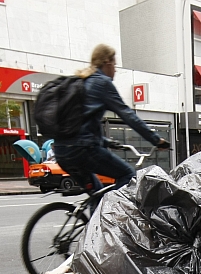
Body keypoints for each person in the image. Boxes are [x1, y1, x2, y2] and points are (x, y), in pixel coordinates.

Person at [54, 44, 169, 193]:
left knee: (96, 193)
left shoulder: (81, 81)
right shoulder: (102, 83)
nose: (115, 69)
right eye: (115, 64)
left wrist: (108, 142)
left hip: (62, 151)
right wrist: (156, 140)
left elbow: (80, 125)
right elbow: (128, 115)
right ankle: (113, 213)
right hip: (83, 151)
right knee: (128, 175)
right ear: (107, 62)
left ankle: (95, 216)